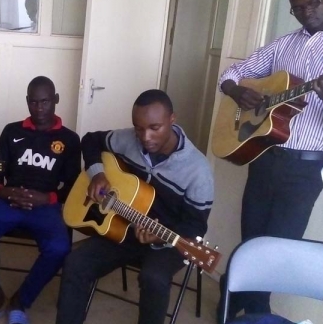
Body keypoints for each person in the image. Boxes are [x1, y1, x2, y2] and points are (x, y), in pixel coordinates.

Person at [216, 0, 323, 321]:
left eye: (313, 3)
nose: (306, 12)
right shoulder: (283, 45)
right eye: (297, 8)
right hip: (264, 156)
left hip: (304, 170)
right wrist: (237, 91)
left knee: (276, 249)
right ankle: (235, 305)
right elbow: (230, 75)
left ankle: (251, 310)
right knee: (250, 240)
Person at [56, 89, 214, 324]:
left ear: (172, 120)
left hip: (167, 240)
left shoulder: (198, 170)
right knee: (75, 263)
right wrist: (97, 174)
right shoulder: (128, 139)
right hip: (123, 228)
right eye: (139, 128)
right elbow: (90, 140)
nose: (145, 137)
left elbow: (195, 227)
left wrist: (159, 237)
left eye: (154, 128)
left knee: (154, 278)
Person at [0, 76, 81, 324]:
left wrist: (47, 198)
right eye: (33, 102)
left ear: (55, 100)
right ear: (27, 102)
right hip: (8, 200)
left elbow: (73, 186)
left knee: (59, 248)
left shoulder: (69, 139)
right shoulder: (12, 130)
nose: (39, 108)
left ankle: (20, 301)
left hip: (45, 205)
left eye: (45, 101)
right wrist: (3, 191)